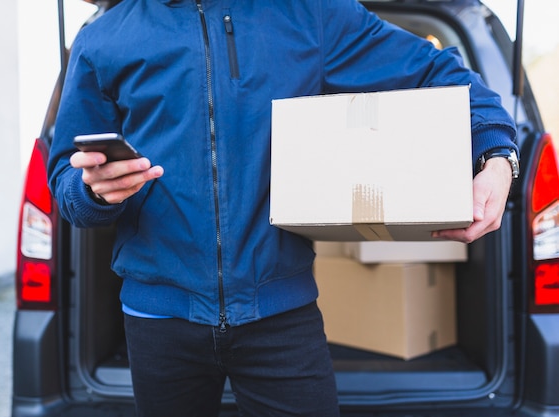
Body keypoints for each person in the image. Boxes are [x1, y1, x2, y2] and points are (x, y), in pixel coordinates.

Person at [47, 0, 519, 416]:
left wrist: (496, 155)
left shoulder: (308, 12)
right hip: (158, 320)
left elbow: (439, 74)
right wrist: (93, 192)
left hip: (280, 315)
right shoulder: (103, 38)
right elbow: (65, 181)